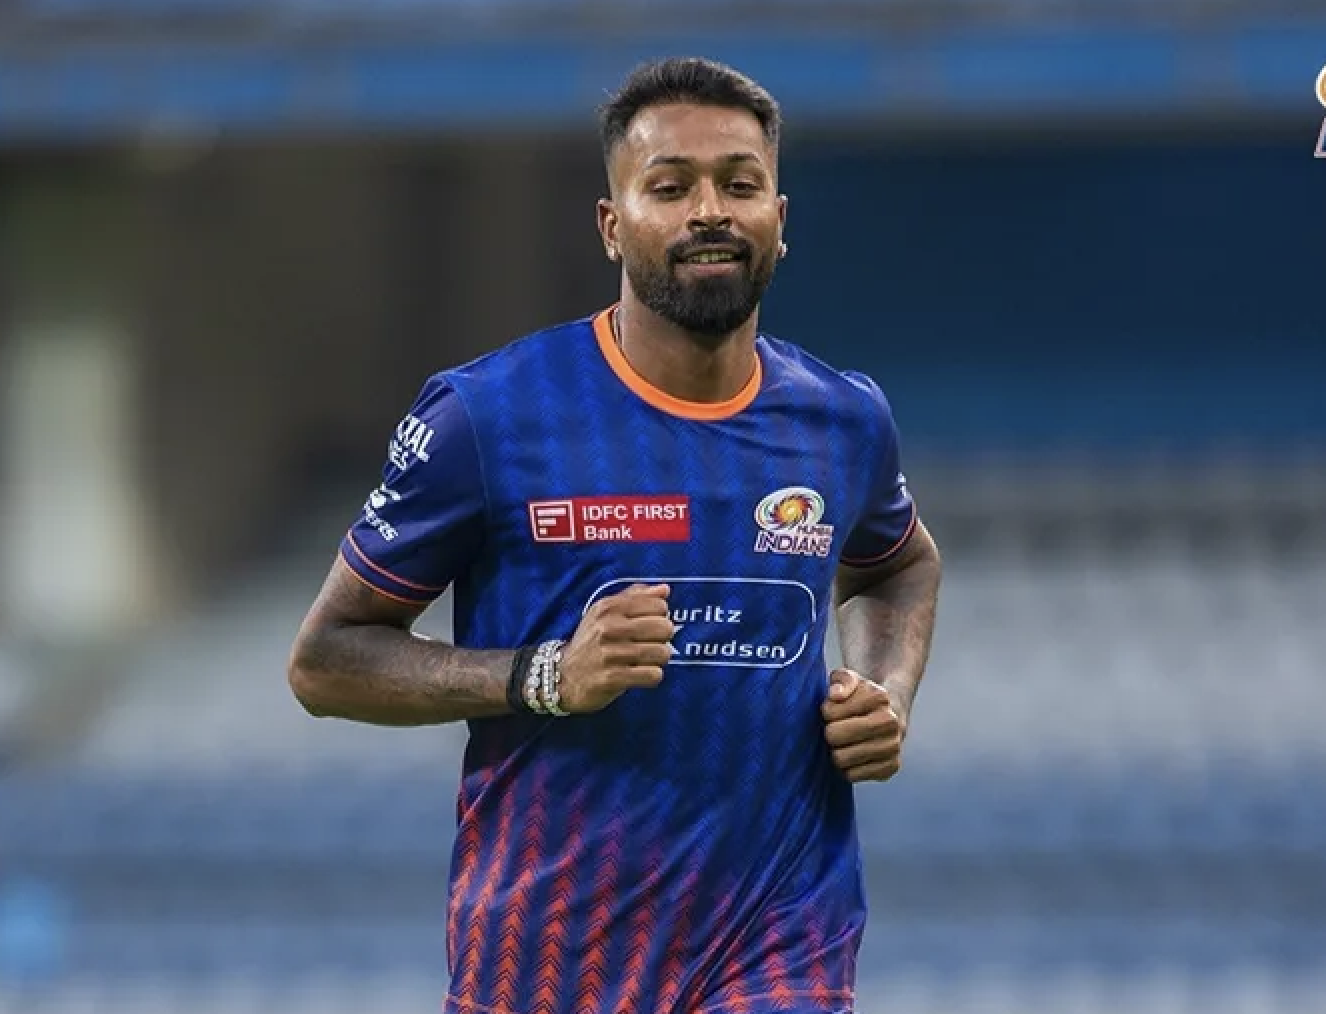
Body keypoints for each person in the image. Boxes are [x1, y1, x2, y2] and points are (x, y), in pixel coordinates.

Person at [288, 56, 942, 1014]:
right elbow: (326, 662)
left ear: (779, 220)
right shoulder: (488, 417)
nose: (709, 211)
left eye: (739, 185)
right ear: (612, 224)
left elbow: (900, 565)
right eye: (670, 187)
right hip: (548, 961)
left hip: (782, 943)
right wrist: (544, 676)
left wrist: (884, 690)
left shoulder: (843, 420)